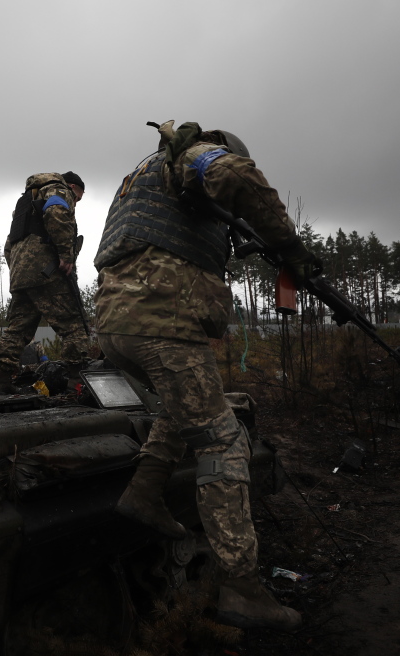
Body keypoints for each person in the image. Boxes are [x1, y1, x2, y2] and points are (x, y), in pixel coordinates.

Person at [93, 121, 318, 631]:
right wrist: (292, 248)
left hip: (118, 326)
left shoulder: (142, 179)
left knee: (185, 408)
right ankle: (242, 587)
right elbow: (235, 174)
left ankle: (145, 492)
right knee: (222, 438)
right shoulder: (197, 156)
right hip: (160, 324)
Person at [0, 171, 88, 393]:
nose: (75, 202)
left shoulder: (25, 203)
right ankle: (77, 383)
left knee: (18, 329)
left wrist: (20, 272)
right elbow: (56, 212)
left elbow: (9, 245)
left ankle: (1, 381)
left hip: (21, 275)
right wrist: (66, 255)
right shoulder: (58, 190)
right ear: (73, 187)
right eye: (78, 198)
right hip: (47, 272)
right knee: (73, 324)